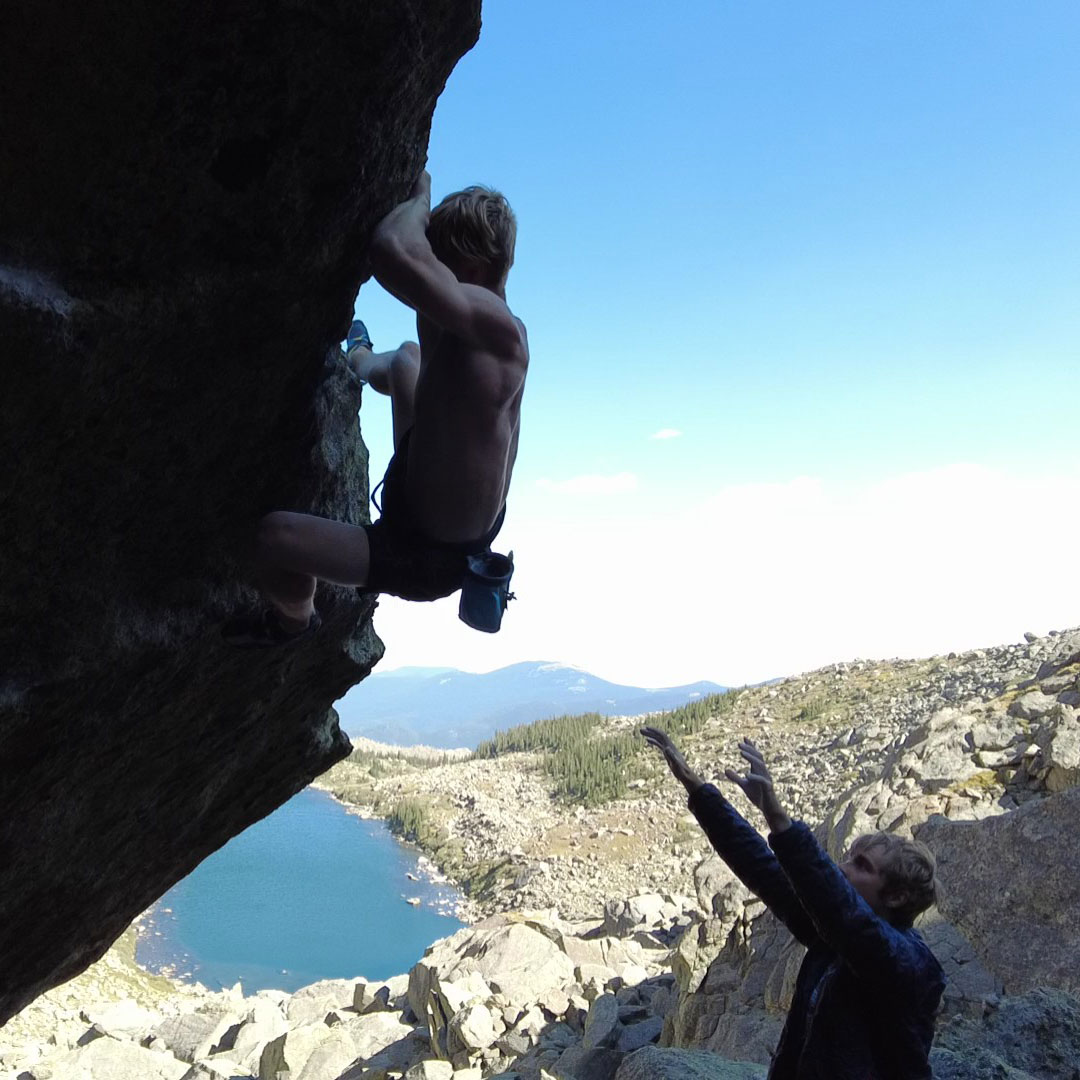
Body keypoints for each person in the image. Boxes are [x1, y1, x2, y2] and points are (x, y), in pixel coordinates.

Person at [224, 172, 528, 646]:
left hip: (424, 552)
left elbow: (390, 249)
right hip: (424, 481)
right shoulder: (468, 320)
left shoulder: (497, 330)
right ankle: (359, 358)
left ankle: (293, 621)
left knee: (273, 537)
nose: (432, 275)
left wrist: (421, 197)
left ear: (471, 270)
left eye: (442, 264)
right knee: (409, 358)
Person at [641, 726, 944, 1080]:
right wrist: (696, 787)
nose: (841, 869)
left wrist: (779, 819)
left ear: (897, 896)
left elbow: (847, 916)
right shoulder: (832, 940)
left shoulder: (909, 964)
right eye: (848, 858)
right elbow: (763, 867)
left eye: (862, 866)